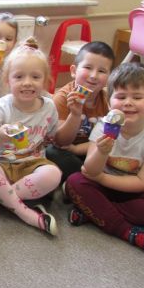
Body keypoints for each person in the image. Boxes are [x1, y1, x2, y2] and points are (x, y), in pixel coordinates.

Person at [65, 62, 144, 257]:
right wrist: (101, 152)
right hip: (101, 187)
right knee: (74, 182)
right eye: (121, 97)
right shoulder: (103, 126)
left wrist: (101, 178)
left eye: (137, 97)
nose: (128, 103)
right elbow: (90, 171)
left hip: (136, 192)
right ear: (110, 103)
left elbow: (142, 182)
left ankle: (94, 212)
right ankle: (127, 231)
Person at [0, 37, 62, 236]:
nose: (27, 83)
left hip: (31, 164)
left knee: (54, 174)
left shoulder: (49, 106)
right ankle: (27, 214)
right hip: (0, 166)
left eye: (35, 77)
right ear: (8, 81)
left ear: (45, 81)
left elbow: (53, 137)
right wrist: (0, 135)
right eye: (19, 77)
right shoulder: (0, 108)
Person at [47, 41, 114, 190]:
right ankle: (89, 183)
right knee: (52, 152)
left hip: (92, 149)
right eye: (88, 68)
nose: (94, 75)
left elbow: (109, 138)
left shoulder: (108, 100)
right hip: (65, 150)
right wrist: (75, 114)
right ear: (74, 71)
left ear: (109, 77)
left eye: (102, 71)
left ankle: (87, 182)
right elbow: (61, 141)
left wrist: (80, 150)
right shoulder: (62, 97)